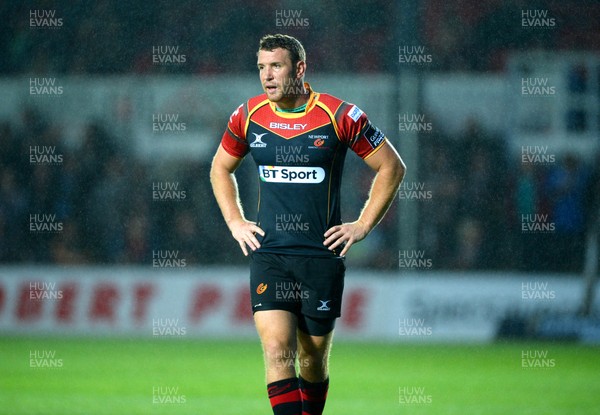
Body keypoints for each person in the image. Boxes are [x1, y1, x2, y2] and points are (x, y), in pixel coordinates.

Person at [210, 34, 405, 415]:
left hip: (321, 257)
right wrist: (235, 221)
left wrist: (363, 225)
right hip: (271, 254)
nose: (267, 76)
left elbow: (391, 167)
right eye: (261, 68)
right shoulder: (248, 115)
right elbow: (220, 167)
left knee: (311, 361)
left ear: (299, 68)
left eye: (276, 66)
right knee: (277, 352)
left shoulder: (339, 116)